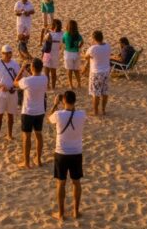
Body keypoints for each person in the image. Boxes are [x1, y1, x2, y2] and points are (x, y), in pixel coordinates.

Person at [49, 90, 86, 221]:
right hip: (76, 152)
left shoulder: (58, 114)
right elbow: (73, 111)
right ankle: (76, 211)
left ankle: (61, 213)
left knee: (61, 183)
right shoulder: (82, 115)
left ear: (64, 100)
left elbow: (49, 118)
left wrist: (55, 104)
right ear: (74, 101)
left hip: (61, 152)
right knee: (76, 182)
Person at [14, 58, 48, 169]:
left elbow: (15, 82)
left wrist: (22, 68)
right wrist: (30, 71)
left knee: (26, 137)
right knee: (39, 135)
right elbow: (35, 76)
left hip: (28, 111)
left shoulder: (27, 81)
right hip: (40, 111)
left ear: (32, 68)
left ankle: (27, 162)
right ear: (41, 68)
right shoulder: (44, 78)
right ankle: (38, 159)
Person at [0, 44, 20, 145]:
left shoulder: (15, 64)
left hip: (12, 92)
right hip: (0, 94)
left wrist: (14, 87)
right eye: (6, 54)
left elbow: (18, 77)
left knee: (11, 115)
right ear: (2, 54)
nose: (8, 55)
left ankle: (9, 134)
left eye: (10, 53)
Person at [82, 31, 110, 116]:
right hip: (106, 71)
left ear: (94, 38)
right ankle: (103, 110)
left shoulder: (93, 48)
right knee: (105, 92)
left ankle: (95, 111)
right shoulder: (107, 46)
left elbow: (86, 57)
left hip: (96, 73)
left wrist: (84, 53)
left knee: (96, 93)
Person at [41, 21, 64, 90]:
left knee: (46, 71)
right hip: (55, 54)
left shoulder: (49, 34)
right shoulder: (62, 34)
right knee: (53, 72)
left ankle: (48, 86)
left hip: (47, 53)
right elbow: (61, 45)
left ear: (53, 26)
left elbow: (44, 42)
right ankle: (53, 86)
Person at [62, 20, 84, 90]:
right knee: (76, 70)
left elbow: (63, 42)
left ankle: (71, 84)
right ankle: (79, 83)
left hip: (68, 53)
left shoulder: (65, 34)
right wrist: (79, 46)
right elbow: (82, 41)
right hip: (76, 53)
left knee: (69, 70)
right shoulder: (78, 34)